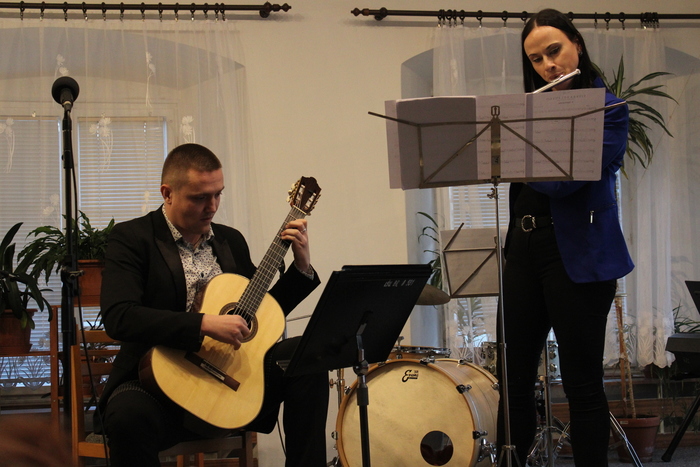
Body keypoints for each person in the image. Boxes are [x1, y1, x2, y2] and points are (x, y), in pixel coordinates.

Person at [97, 143, 329, 466]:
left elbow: (256, 316)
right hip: (159, 386)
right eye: (200, 198)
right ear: (167, 193)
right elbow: (120, 316)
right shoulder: (133, 238)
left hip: (230, 385)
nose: (212, 206)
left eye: (218, 194)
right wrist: (204, 324)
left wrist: (301, 269)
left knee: (307, 356)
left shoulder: (230, 241)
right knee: (127, 417)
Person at [497, 9, 635, 467]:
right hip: (523, 252)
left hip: (578, 254)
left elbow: (565, 182)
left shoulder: (610, 110)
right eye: (536, 59)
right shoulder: (527, 113)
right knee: (512, 380)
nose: (547, 65)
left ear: (576, 42)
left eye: (554, 51)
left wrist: (516, 149)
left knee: (582, 383)